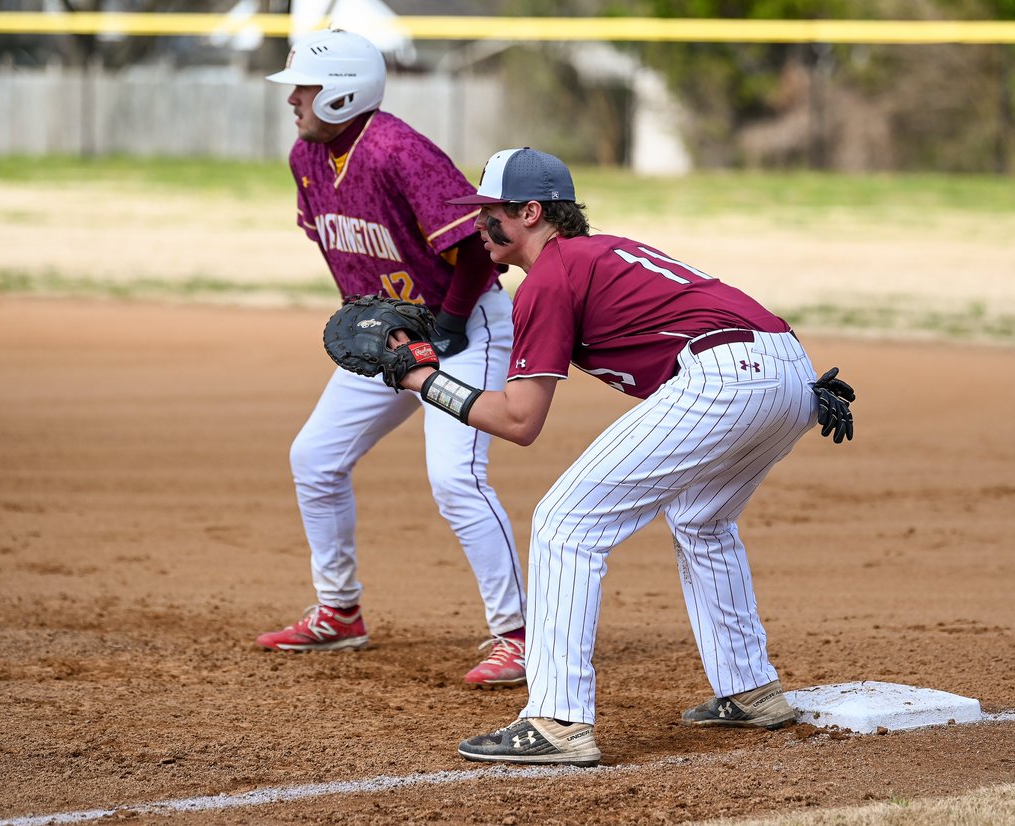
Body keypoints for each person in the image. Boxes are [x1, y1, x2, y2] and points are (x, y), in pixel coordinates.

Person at [377, 147, 855, 765]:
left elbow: (521, 422)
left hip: (727, 376)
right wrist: (789, 390)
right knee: (701, 519)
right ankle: (749, 689)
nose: (479, 225)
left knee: (566, 524)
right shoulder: (600, 252)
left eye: (490, 211)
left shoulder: (549, 277)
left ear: (530, 212)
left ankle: (556, 720)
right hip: (788, 369)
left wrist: (423, 380)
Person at [257, 30, 528, 691]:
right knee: (314, 457)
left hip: (466, 324)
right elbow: (340, 246)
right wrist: (369, 322)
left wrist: (449, 327)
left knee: (455, 478)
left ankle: (521, 637)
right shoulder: (307, 157)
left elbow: (472, 248)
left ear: (345, 93)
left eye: (306, 88)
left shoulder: (397, 152)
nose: (293, 99)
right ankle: (339, 611)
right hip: (396, 333)